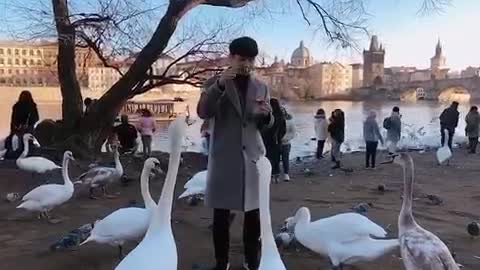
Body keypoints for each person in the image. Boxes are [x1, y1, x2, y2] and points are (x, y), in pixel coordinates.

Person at [197, 36, 273, 270]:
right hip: (224, 156)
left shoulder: (261, 86)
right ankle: (222, 261)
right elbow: (203, 112)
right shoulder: (213, 82)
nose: (246, 64)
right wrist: (219, 86)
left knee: (254, 214)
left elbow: (265, 125)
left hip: (252, 156)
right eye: (241, 58)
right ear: (230, 57)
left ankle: (252, 259)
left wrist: (267, 115)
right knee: (220, 216)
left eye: (250, 59)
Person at [261, 98, 286, 184]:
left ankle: (270, 175)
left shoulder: (268, 116)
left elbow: (263, 128)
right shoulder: (281, 116)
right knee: (276, 159)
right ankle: (276, 176)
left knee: (268, 158)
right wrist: (279, 137)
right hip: (276, 141)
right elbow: (283, 130)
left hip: (267, 140)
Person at [280, 107, 295, 181]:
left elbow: (293, 133)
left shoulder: (289, 121)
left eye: (283, 110)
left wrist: (286, 138)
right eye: (280, 110)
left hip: (286, 143)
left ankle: (286, 174)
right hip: (276, 143)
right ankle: (275, 174)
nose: (281, 112)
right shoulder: (275, 120)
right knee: (275, 159)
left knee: (285, 159)